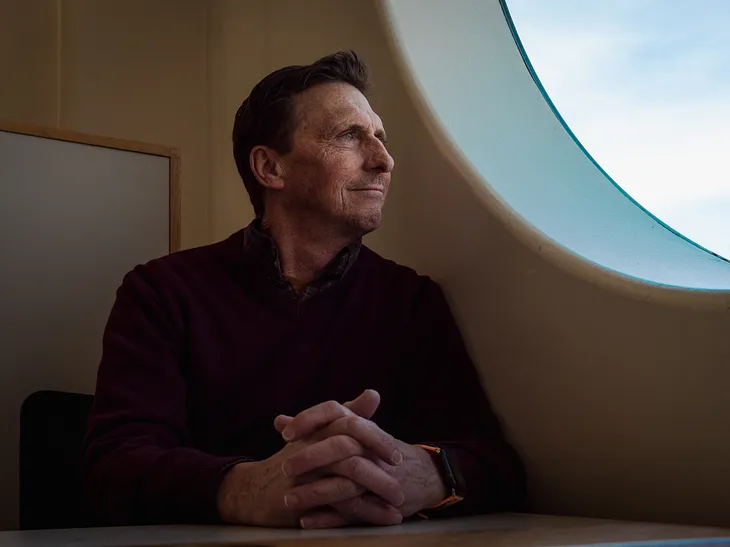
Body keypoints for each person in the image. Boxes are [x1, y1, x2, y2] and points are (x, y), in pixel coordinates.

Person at [82, 50, 526, 530]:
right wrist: (247, 488)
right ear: (271, 168)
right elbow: (113, 468)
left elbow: (496, 465)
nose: (383, 160)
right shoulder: (161, 292)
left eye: (380, 137)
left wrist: (425, 472)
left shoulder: (410, 300)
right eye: (350, 136)